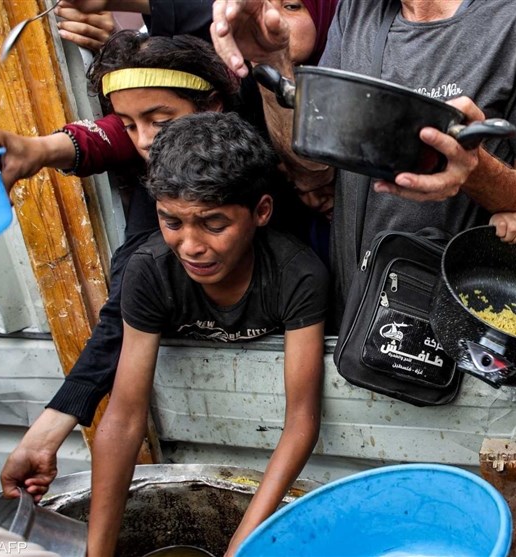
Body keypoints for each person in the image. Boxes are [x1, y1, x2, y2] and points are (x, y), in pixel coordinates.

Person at [0, 0, 336, 498]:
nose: (145, 142)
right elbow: (123, 317)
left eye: (159, 120)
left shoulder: (277, 197)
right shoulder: (161, 213)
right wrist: (53, 424)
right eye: (130, 126)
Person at [211, 0, 516, 327]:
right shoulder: (356, 11)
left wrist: (475, 171)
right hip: (355, 320)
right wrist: (270, 61)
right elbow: (313, 173)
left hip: (459, 325)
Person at [85, 111, 328, 557]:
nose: (192, 246)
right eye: (171, 222)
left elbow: (301, 422)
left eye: (214, 224)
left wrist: (240, 544)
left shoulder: (298, 275)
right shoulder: (149, 271)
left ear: (261, 211)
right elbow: (122, 418)